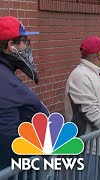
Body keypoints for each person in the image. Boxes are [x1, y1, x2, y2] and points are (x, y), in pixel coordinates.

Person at [0, 16, 49, 170]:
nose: (28, 46)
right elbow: (6, 134)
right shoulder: (3, 78)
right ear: (11, 45)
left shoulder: (6, 71)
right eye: (25, 42)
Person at [65, 36, 100, 137]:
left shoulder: (94, 75)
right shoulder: (80, 76)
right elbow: (90, 111)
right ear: (99, 55)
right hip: (89, 147)